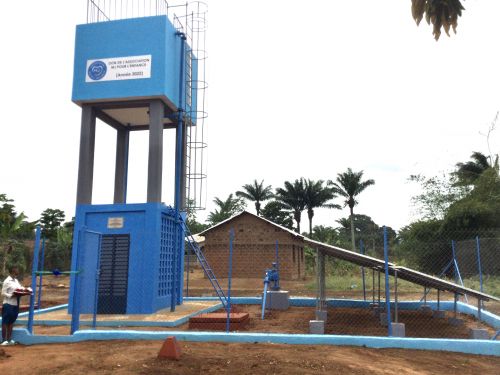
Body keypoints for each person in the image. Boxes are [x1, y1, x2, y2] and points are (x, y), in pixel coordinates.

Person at [1, 266, 31, 346]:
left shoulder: (16, 280)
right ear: (12, 272)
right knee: (5, 322)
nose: (17, 273)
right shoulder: (7, 281)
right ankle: (4, 340)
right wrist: (11, 295)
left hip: (15, 304)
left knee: (11, 322)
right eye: (16, 271)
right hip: (8, 304)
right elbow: (3, 293)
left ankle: (9, 339)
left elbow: (19, 288)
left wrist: (25, 290)